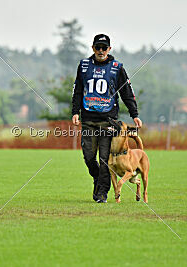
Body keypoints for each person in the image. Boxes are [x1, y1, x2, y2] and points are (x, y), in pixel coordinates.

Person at [71, 34, 142, 203]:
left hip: (108, 121)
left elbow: (126, 92)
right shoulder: (84, 66)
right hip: (88, 119)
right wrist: (75, 112)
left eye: (104, 47)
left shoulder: (117, 68)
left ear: (109, 49)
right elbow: (78, 90)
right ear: (93, 48)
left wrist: (135, 114)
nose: (101, 51)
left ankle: (102, 193)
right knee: (89, 158)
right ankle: (98, 180)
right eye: (98, 47)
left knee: (105, 160)